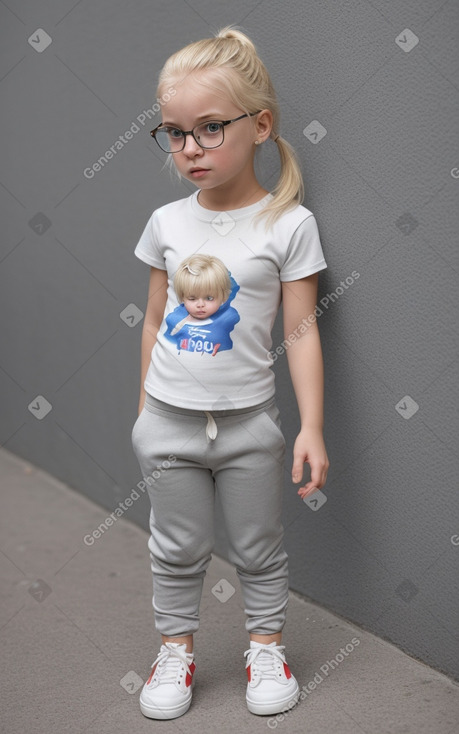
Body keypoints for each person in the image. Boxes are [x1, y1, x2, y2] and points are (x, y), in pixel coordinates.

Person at [131, 25, 329, 721]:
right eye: (175, 132)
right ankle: (175, 650)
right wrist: (143, 415)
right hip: (167, 424)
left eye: (210, 128)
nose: (189, 148)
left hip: (248, 424)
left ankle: (264, 646)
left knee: (257, 544)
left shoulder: (287, 224)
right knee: (175, 546)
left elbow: (300, 331)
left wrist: (310, 426)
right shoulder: (164, 222)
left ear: (260, 125)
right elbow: (153, 323)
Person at [166, 254, 239, 357]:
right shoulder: (176, 323)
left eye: (209, 298)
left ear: (223, 297)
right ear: (182, 297)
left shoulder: (228, 321)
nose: (200, 305)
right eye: (192, 299)